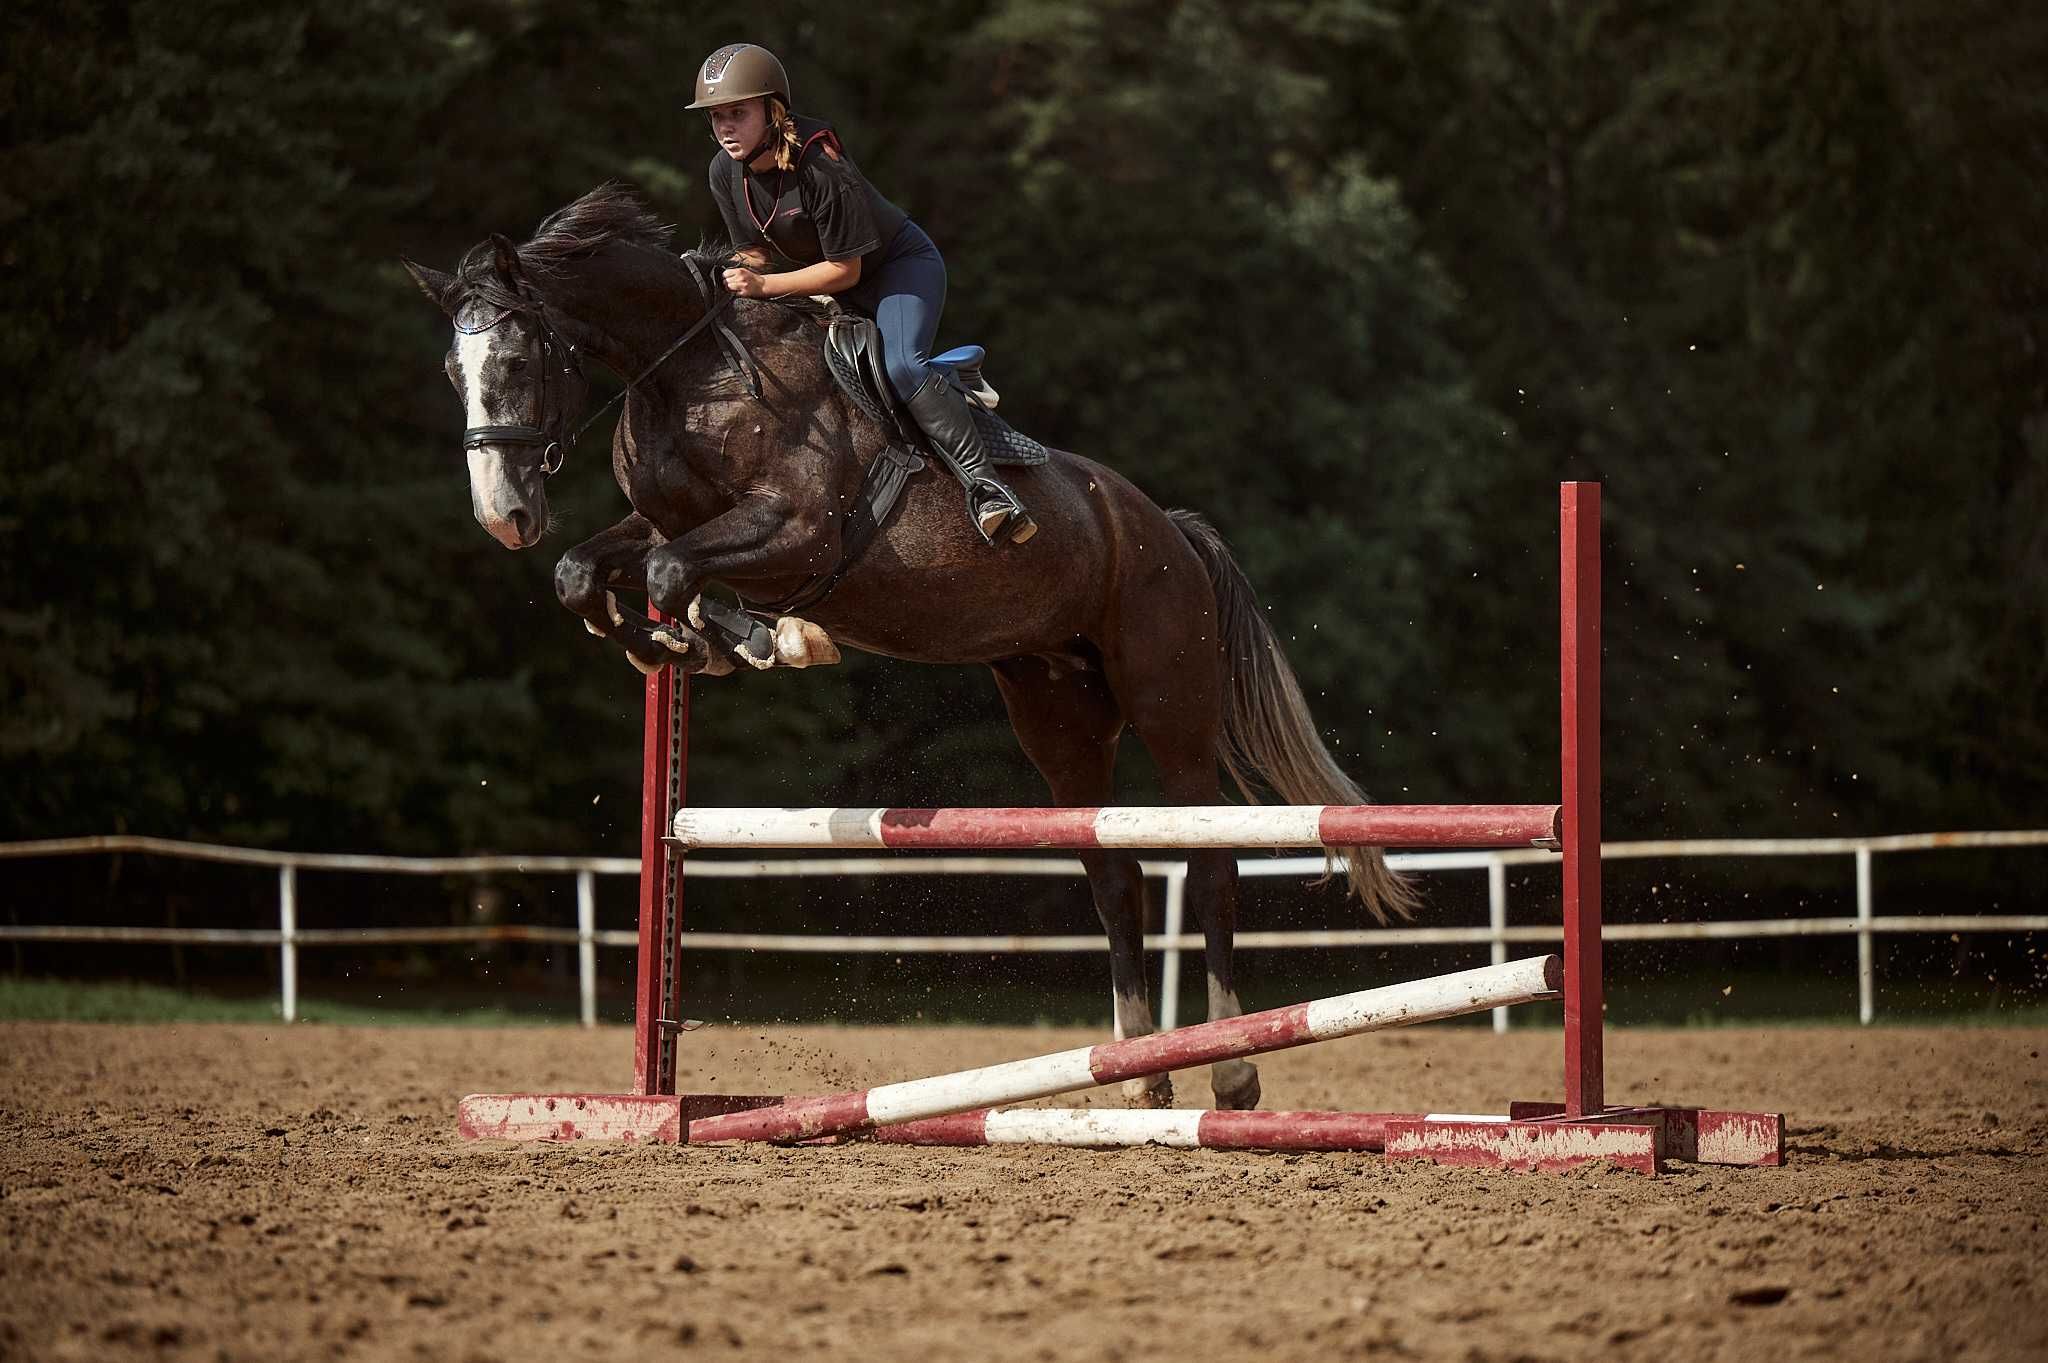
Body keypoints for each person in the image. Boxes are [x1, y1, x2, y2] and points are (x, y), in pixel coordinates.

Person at [689, 42, 1033, 545]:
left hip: (896, 269)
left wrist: (765, 286)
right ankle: (950, 379)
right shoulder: (724, 172)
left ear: (772, 108)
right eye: (716, 117)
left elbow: (845, 270)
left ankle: (989, 489)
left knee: (903, 367)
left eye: (737, 114)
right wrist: (715, 282)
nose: (725, 128)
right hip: (826, 279)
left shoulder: (818, 161)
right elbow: (753, 254)